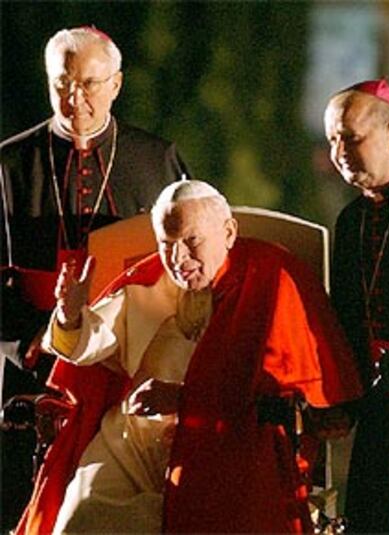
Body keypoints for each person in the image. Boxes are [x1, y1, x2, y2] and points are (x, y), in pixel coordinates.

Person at [16, 180, 362, 534]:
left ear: (228, 232)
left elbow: (278, 391)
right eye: (166, 245)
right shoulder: (147, 283)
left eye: (191, 241)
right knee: (80, 522)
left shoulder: (270, 280)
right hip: (131, 442)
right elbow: (94, 340)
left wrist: (185, 400)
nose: (177, 260)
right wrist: (71, 316)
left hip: (218, 446)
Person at [0, 25, 190, 531]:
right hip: (30, 366)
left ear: (116, 84)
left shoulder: (156, 160)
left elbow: (186, 266)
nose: (74, 98)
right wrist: (27, 340)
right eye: (62, 83)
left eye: (88, 83)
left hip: (125, 372)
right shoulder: (8, 164)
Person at [324, 79, 389, 534]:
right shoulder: (353, 219)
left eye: (351, 137)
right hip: (381, 415)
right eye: (333, 140)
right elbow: (346, 319)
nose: (339, 151)